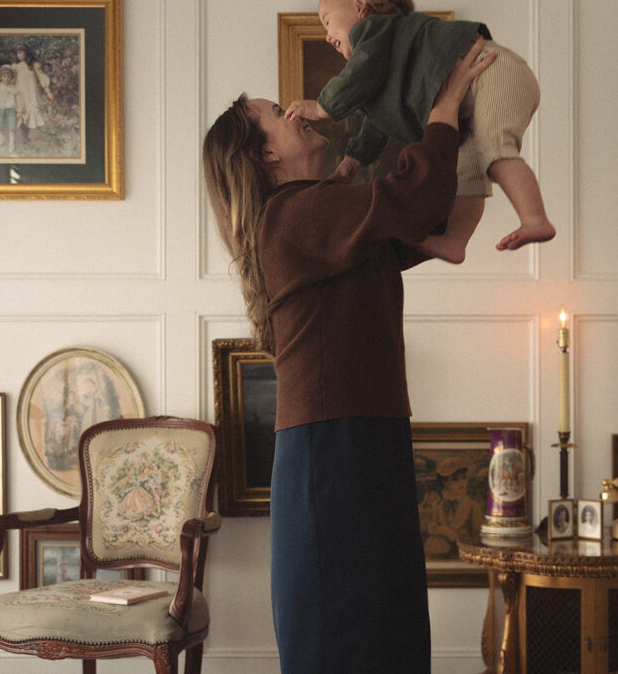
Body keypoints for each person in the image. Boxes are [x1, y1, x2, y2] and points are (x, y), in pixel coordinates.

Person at [203, 37, 496, 674]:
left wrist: (466, 135)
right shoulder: (295, 215)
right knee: (353, 645)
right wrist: (444, 102)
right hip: (335, 455)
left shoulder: (316, 213)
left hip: (359, 443)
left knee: (384, 639)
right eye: (278, 111)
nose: (296, 112)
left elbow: (435, 227)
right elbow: (415, 200)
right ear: (266, 153)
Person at [286, 0, 554, 263]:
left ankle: (535, 219)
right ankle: (454, 241)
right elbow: (376, 120)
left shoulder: (374, 32)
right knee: (466, 171)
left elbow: (360, 72)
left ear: (361, 5)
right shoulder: (384, 66)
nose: (326, 34)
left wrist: (321, 107)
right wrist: (353, 160)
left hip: (491, 71)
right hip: (474, 95)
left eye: (327, 20)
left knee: (495, 151)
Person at [12, 43, 54, 143]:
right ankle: (25, 138)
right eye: (17, 53)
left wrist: (48, 92)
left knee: (38, 114)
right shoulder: (16, 67)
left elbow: (42, 77)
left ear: (26, 53)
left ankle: (50, 137)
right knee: (22, 115)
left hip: (32, 95)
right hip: (21, 95)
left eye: (21, 52)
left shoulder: (34, 65)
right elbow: (11, 81)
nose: (19, 55)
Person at [0, 64, 23, 153]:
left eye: (9, 77)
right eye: (4, 76)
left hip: (11, 110)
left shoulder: (13, 89)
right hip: (0, 109)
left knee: (11, 128)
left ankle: (11, 144)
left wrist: (19, 110)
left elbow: (19, 100)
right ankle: (2, 138)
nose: (6, 79)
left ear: (11, 78)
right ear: (1, 78)